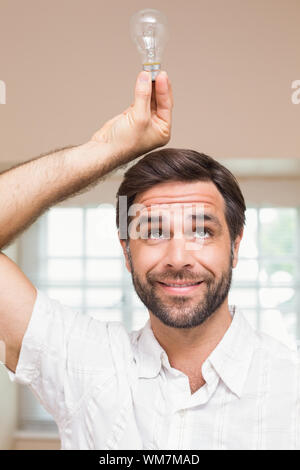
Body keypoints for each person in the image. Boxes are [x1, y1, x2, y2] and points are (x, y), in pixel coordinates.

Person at [0, 70, 299, 451]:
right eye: (154, 231)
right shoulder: (84, 364)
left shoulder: (291, 391)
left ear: (235, 246)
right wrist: (105, 150)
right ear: (127, 251)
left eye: (202, 231)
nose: (177, 258)